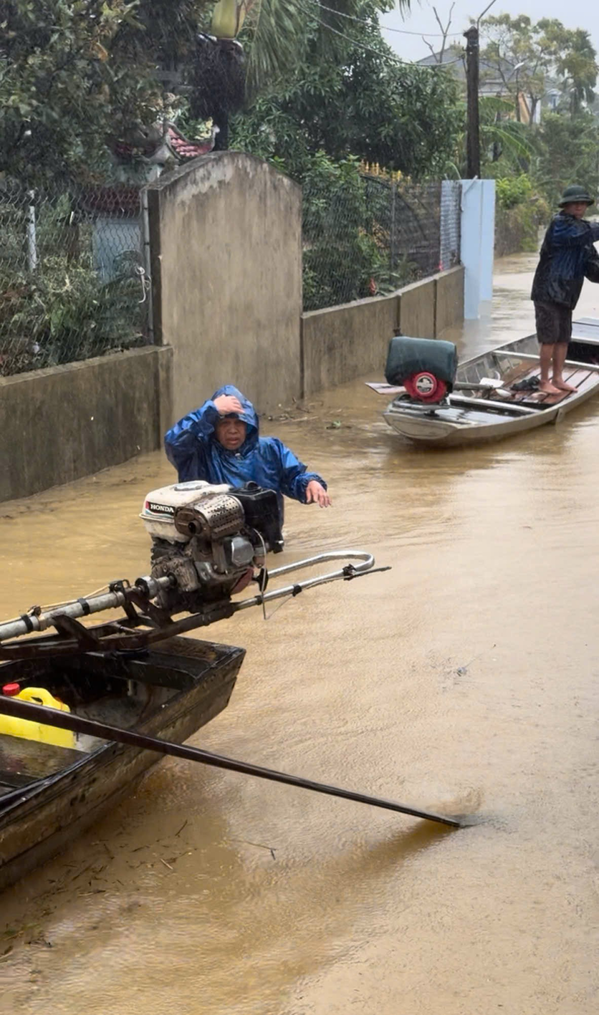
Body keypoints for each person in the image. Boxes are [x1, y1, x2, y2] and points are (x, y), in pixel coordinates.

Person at [164, 385, 331, 521]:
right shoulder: (197, 453)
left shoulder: (270, 449)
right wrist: (211, 410)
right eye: (225, 424)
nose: (232, 431)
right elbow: (174, 442)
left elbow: (293, 478)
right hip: (211, 543)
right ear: (214, 427)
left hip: (264, 542)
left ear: (249, 426)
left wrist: (310, 483)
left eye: (239, 423)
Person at [531, 184, 599, 394]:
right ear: (567, 206)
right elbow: (581, 234)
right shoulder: (561, 225)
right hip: (548, 292)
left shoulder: (584, 234)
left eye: (582, 203)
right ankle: (544, 381)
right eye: (575, 203)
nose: (579, 206)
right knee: (549, 338)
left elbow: (593, 268)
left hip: (567, 294)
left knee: (563, 338)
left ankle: (558, 378)